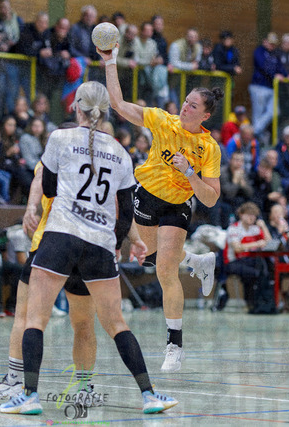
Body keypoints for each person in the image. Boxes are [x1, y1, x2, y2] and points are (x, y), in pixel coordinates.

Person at [0, 82, 177, 415]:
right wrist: (120, 243)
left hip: (61, 237)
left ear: (75, 108)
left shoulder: (59, 138)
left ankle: (30, 396)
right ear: (106, 112)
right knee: (116, 323)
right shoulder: (121, 153)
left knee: (36, 318)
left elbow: (48, 186)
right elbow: (126, 211)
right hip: (99, 245)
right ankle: (150, 395)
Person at [99, 44, 220, 372]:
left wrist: (190, 173)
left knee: (165, 270)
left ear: (205, 115)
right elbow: (118, 104)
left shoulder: (208, 148)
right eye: (185, 101)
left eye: (193, 106)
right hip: (146, 197)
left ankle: (174, 346)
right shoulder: (163, 121)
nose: (185, 107)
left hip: (177, 205)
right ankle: (196, 261)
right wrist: (110, 61)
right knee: (150, 258)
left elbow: (211, 198)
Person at [0, 160, 104, 405]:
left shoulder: (57, 152)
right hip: (86, 245)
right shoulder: (104, 158)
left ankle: (15, 381)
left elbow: (39, 178)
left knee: (26, 316)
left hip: (50, 244)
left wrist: (30, 208)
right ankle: (84, 388)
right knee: (84, 322)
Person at [222, 202, 272, 311]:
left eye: (254, 215)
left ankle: (263, 303)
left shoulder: (255, 229)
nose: (252, 217)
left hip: (249, 261)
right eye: (249, 214)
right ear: (241, 214)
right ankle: (252, 302)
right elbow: (237, 248)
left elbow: (270, 243)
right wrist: (256, 244)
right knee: (255, 272)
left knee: (266, 267)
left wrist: (263, 227)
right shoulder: (233, 228)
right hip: (233, 262)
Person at [249, 32, 287, 143]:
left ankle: (254, 131)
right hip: (258, 86)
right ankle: (256, 141)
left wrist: (285, 75)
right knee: (258, 115)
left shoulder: (275, 54)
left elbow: (281, 69)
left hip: (271, 87)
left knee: (275, 111)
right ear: (264, 41)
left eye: (274, 44)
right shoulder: (259, 51)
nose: (272, 46)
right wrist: (275, 75)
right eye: (270, 43)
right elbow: (263, 67)